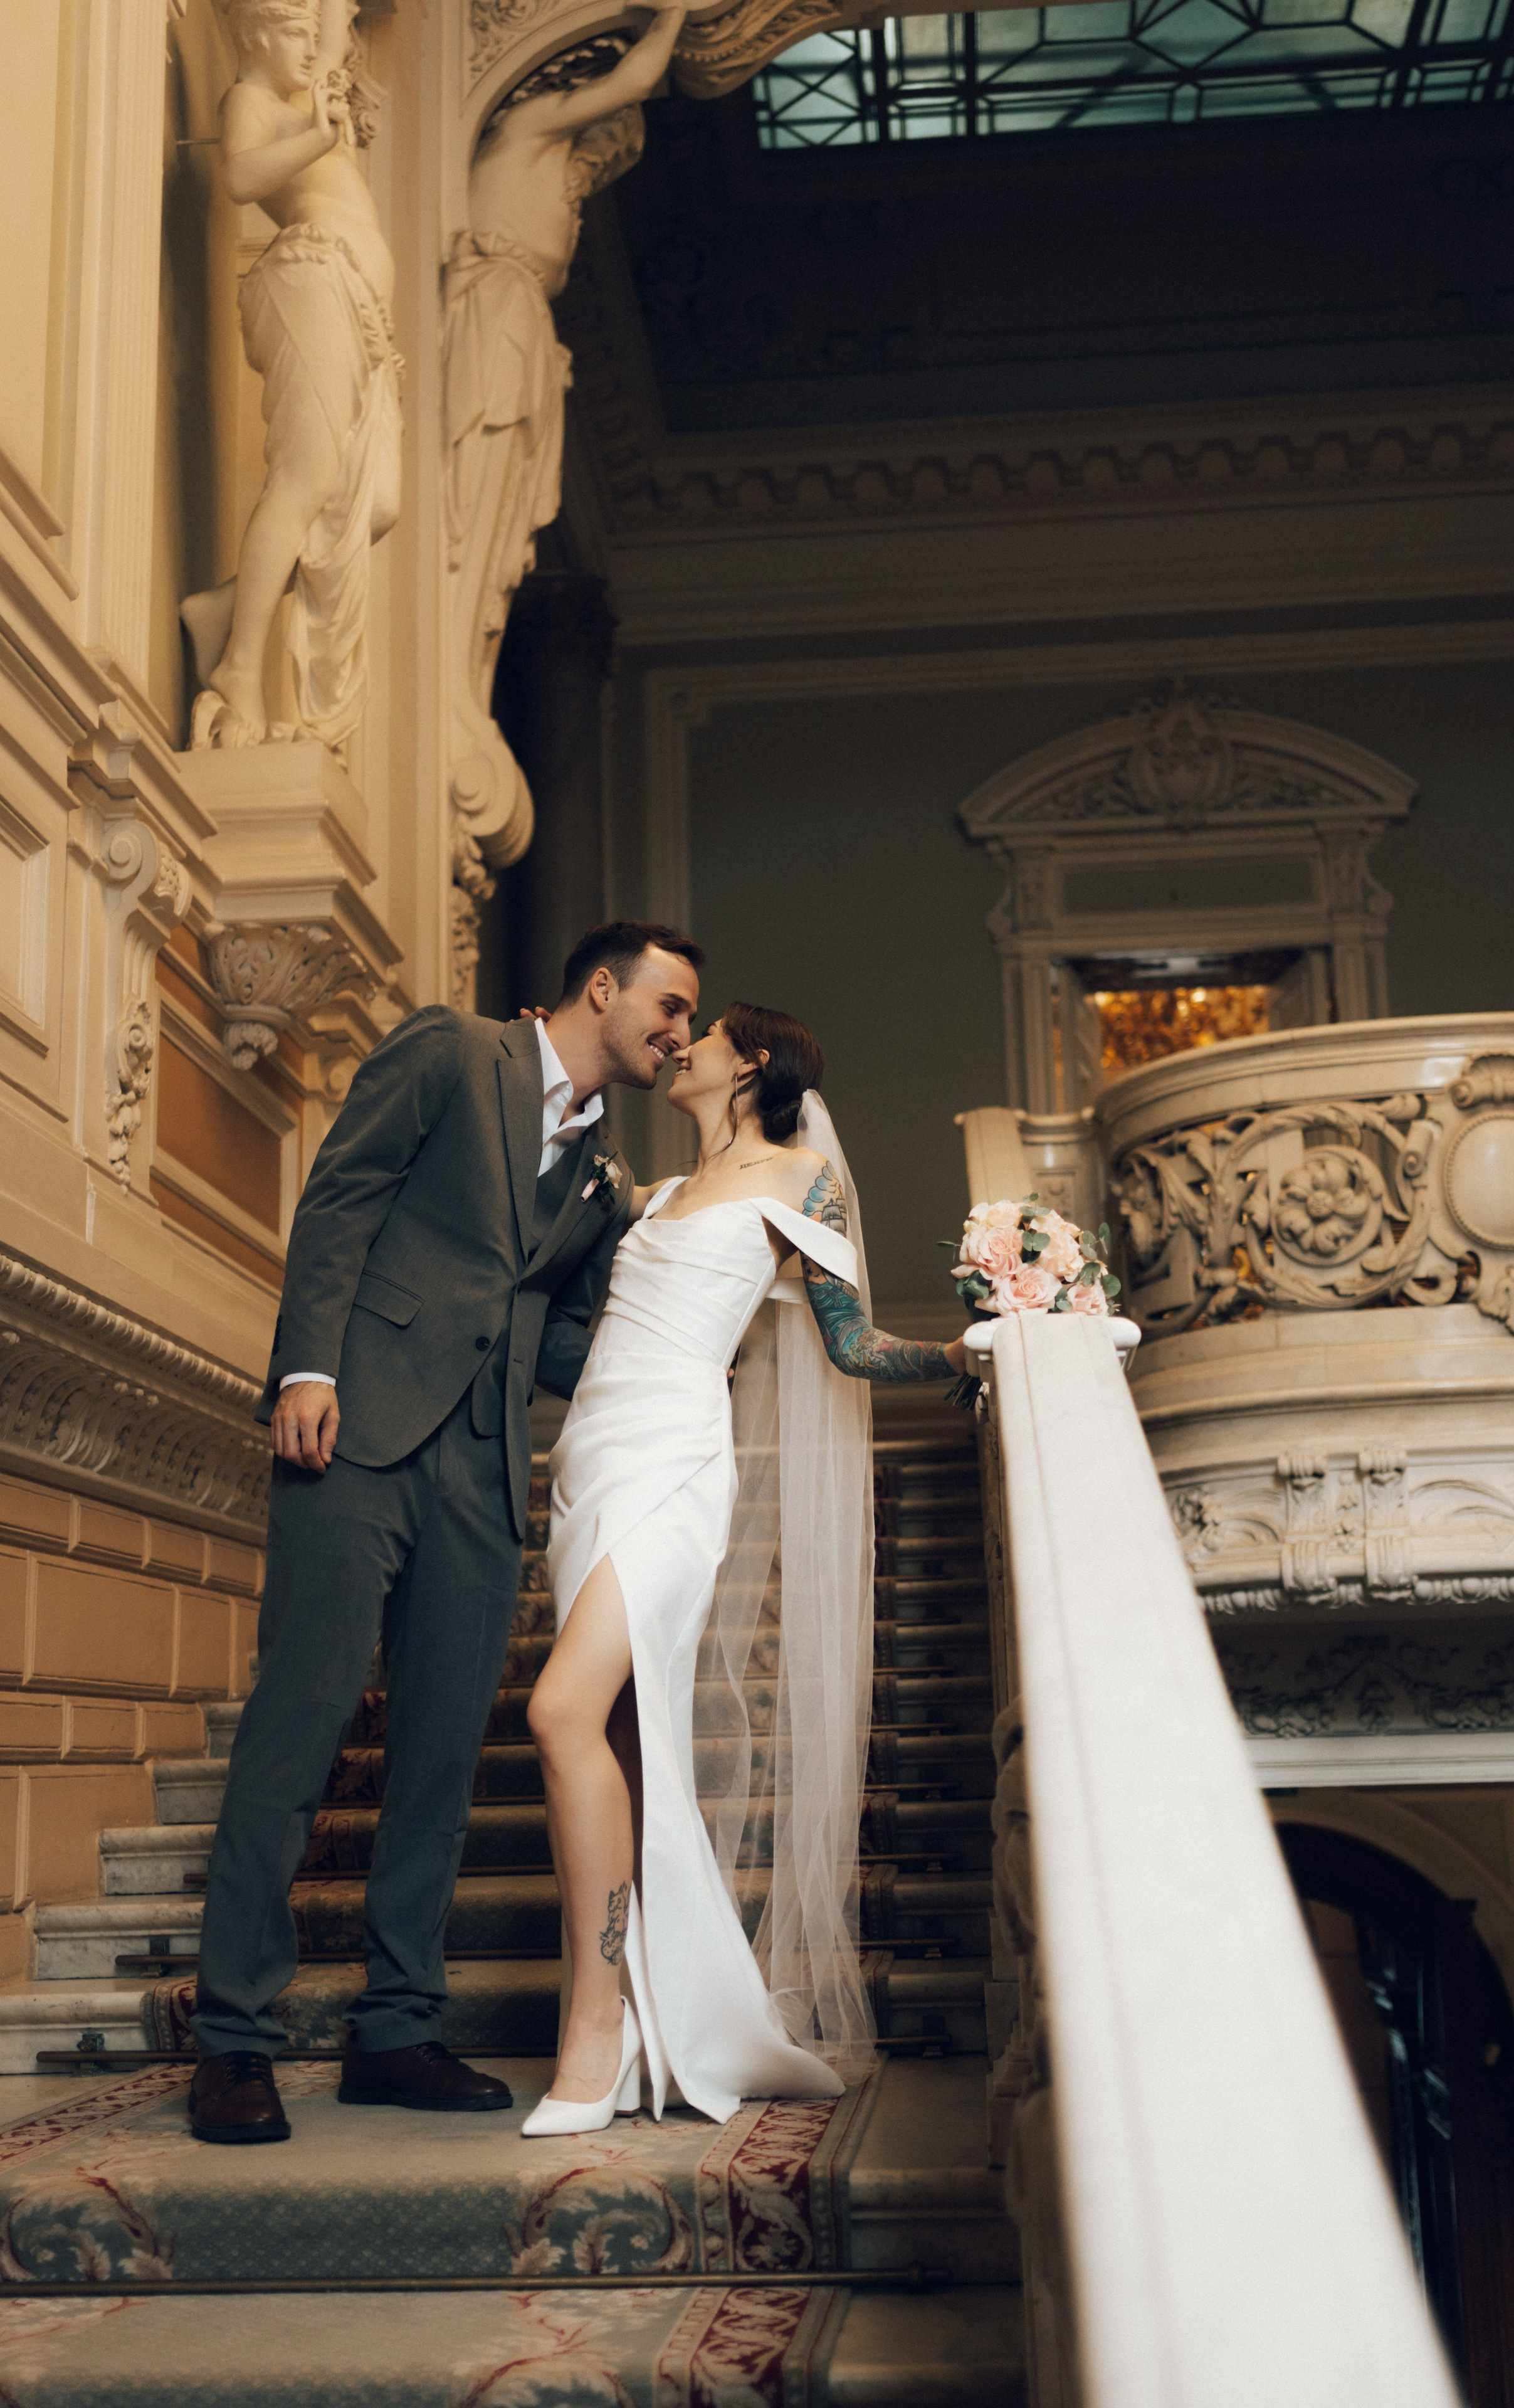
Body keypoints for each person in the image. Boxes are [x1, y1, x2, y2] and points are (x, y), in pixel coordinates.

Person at [187, 923, 702, 2144]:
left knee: (438, 1765)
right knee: (297, 1730)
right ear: (600, 985)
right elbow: (343, 1195)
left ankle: (398, 2027)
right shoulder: (449, 1050)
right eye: (669, 1007)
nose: (677, 1034)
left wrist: (692, 1324)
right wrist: (306, 1366)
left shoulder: (600, 1182)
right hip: (355, 1429)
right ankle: (233, 2040)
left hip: (483, 1472)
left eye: (686, 1020)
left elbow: (571, 1345)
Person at [522, 1003, 967, 2136]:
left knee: (558, 1710)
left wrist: (975, 1348)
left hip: (673, 1463)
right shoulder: (656, 1195)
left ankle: (593, 2025)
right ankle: (633, 2013)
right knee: (615, 1735)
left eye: (700, 1034)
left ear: (752, 1060)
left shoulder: (801, 1178)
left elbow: (854, 1343)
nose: (679, 1048)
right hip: (590, 1460)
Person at [182, 0, 401, 750]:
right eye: (294, 35)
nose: (313, 51)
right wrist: (313, 136)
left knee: (377, 503)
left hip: (363, 314)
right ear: (252, 33)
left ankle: (223, 610)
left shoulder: (304, 89)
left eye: (315, 35)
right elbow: (241, 178)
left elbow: (336, 25)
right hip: (309, 278)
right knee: (306, 479)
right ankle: (240, 668)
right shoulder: (250, 100)